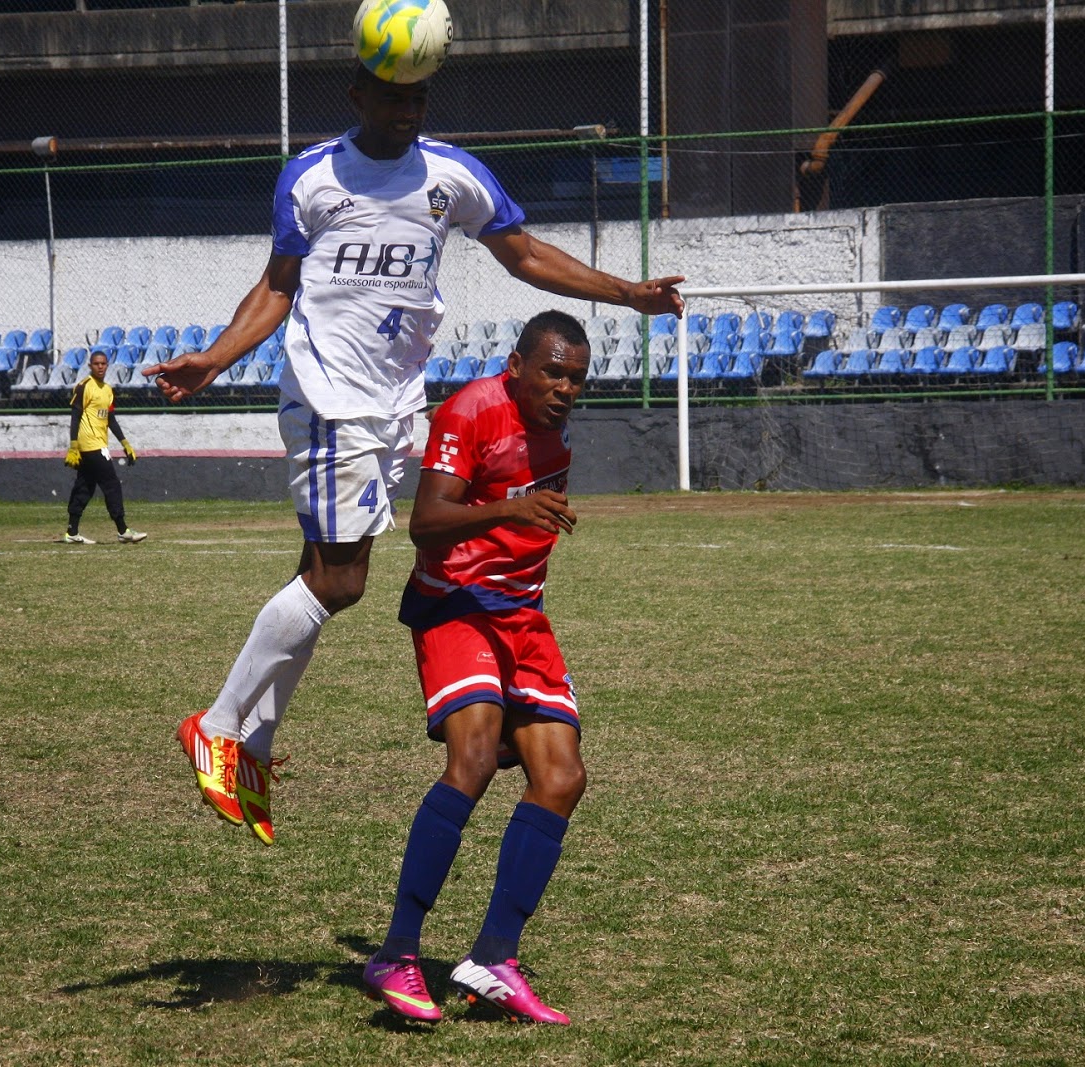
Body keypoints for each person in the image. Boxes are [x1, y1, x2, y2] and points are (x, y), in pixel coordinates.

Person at [148, 65, 684, 847]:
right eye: (393, 97)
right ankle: (220, 724)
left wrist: (627, 293)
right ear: (357, 97)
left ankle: (251, 749)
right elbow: (276, 286)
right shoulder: (311, 179)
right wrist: (215, 359)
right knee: (339, 579)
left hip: (399, 405)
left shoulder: (451, 175)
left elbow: (524, 253)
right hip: (334, 400)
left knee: (322, 573)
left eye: (418, 98)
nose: (407, 111)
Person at [361, 310, 589, 1026]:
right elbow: (426, 520)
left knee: (561, 775)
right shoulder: (469, 410)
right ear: (515, 364)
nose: (564, 388)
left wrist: (519, 517)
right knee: (477, 756)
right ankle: (396, 951)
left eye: (576, 377)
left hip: (521, 614)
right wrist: (509, 509)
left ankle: (493, 956)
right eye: (552, 370)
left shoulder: (554, 440)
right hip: (454, 602)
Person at [61, 351, 146, 546]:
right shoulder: (84, 387)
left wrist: (125, 443)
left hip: (99, 444)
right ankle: (123, 530)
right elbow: (75, 416)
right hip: (91, 445)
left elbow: (110, 419)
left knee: (85, 486)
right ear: (90, 366)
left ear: (107, 365)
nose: (100, 367)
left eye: (103, 364)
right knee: (112, 484)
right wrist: (73, 445)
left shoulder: (107, 390)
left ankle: (72, 531)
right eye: (96, 364)